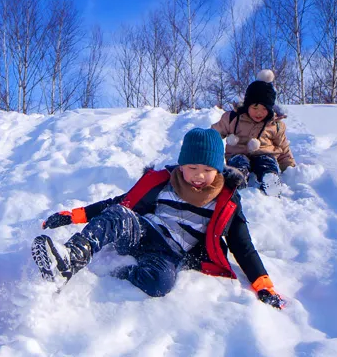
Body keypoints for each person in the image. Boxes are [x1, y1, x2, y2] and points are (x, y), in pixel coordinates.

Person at [32, 128, 285, 309]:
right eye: (192, 168)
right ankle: (71, 258)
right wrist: (73, 215)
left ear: (218, 169)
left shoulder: (225, 200)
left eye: (207, 170)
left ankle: (121, 272)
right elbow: (120, 202)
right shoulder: (164, 183)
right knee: (119, 215)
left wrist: (263, 284)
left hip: (169, 253)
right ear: (181, 165)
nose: (198, 176)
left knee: (161, 283)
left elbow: (243, 245)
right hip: (143, 231)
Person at [211, 70, 296, 196]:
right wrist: (204, 151)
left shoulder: (275, 125)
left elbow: (283, 147)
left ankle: (270, 180)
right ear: (247, 106)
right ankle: (237, 179)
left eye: (264, 109)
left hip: (264, 153)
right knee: (239, 161)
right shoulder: (232, 119)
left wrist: (289, 167)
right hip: (237, 153)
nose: (259, 113)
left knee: (267, 162)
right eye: (255, 108)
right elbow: (213, 135)